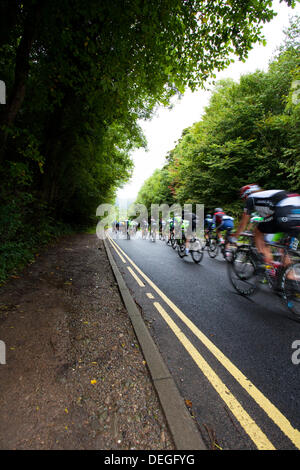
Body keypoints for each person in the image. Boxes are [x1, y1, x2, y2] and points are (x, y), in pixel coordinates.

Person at [232, 184, 300, 268]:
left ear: (246, 195)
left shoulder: (251, 198)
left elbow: (243, 223)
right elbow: (268, 219)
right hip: (297, 210)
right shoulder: (266, 197)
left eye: (243, 198)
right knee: (286, 251)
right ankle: (288, 276)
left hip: (285, 210)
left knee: (258, 230)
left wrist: (235, 237)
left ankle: (266, 262)